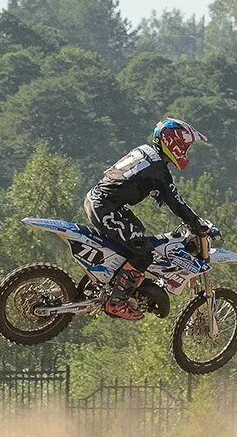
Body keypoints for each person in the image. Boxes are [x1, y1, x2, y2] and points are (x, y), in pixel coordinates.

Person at [83, 119, 216, 318]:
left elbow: (135, 180)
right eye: (185, 147)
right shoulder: (159, 170)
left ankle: (109, 281)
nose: (186, 152)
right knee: (144, 253)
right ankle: (116, 302)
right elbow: (176, 202)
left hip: (101, 201)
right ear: (173, 143)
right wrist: (197, 224)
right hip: (106, 208)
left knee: (138, 232)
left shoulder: (146, 152)